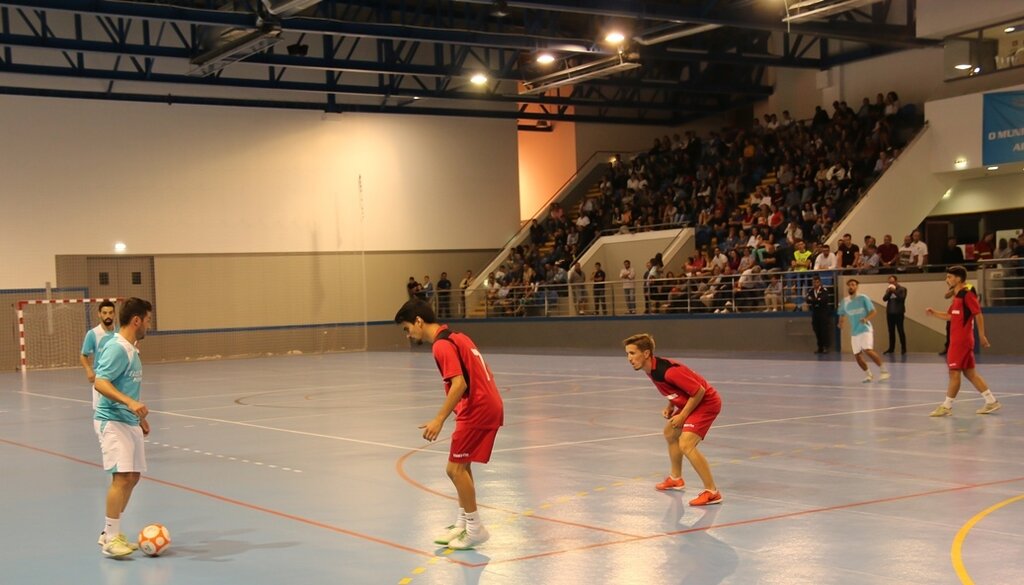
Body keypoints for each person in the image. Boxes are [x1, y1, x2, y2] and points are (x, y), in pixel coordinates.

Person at [394, 299, 504, 549]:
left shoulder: (441, 346)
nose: (408, 334)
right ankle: (463, 522)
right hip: (483, 404)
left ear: (419, 321)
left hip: (479, 408)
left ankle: (475, 528)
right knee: (461, 467)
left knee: (453, 469)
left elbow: (460, 384)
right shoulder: (457, 336)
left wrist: (439, 419)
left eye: (407, 328)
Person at [623, 333, 723, 506]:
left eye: (632, 353)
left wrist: (683, 415)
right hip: (690, 403)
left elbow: (699, 391)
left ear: (646, 353)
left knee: (686, 444)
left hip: (706, 403)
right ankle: (676, 479)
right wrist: (671, 406)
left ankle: (712, 492)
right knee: (670, 433)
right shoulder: (650, 369)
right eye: (627, 354)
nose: (629, 358)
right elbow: (672, 390)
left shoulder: (669, 371)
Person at [93, 297, 153, 558]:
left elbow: (129, 385)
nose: (149, 326)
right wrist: (130, 403)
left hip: (128, 420)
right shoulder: (117, 348)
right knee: (121, 477)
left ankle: (112, 532)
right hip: (112, 419)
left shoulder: (133, 348)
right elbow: (101, 383)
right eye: (148, 320)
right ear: (137, 320)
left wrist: (140, 418)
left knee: (133, 476)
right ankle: (109, 537)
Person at [926, 266, 1001, 417]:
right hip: (958, 340)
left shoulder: (967, 294)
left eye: (949, 277)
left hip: (961, 341)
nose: (947, 280)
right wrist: (934, 313)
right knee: (970, 373)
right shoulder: (958, 297)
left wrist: (982, 335)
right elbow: (950, 317)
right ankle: (991, 401)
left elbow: (978, 314)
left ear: (958, 279)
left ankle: (946, 406)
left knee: (954, 372)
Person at [837, 279, 889, 383]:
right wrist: (841, 322)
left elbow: (874, 311)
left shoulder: (863, 298)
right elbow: (842, 313)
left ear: (857, 286)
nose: (851, 287)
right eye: (849, 285)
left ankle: (884, 371)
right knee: (857, 355)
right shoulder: (845, 301)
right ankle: (869, 375)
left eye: (853, 285)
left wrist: (866, 319)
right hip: (854, 331)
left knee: (867, 350)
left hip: (865, 329)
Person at [80, 300, 118, 409]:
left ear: (114, 314)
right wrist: (88, 370)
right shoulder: (93, 334)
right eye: (105, 313)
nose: (108, 316)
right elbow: (83, 355)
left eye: (111, 313)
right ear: (99, 314)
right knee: (101, 413)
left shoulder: (120, 332)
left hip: (119, 380)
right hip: (101, 379)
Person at [806, 275, 833, 354]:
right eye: (814, 282)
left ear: (820, 282)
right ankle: (820, 347)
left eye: (817, 282)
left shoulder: (824, 290)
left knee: (824, 330)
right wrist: (816, 300)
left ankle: (825, 347)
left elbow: (823, 300)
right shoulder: (811, 291)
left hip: (823, 313)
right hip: (815, 313)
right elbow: (807, 300)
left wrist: (813, 300)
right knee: (817, 330)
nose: (815, 284)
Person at [882, 275, 907, 354]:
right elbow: (884, 299)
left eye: (892, 282)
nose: (891, 283)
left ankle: (903, 348)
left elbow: (901, 298)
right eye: (889, 282)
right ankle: (891, 348)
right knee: (891, 331)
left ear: (896, 281)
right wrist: (889, 292)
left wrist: (894, 291)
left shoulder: (902, 289)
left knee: (900, 330)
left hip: (899, 313)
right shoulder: (888, 290)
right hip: (890, 313)